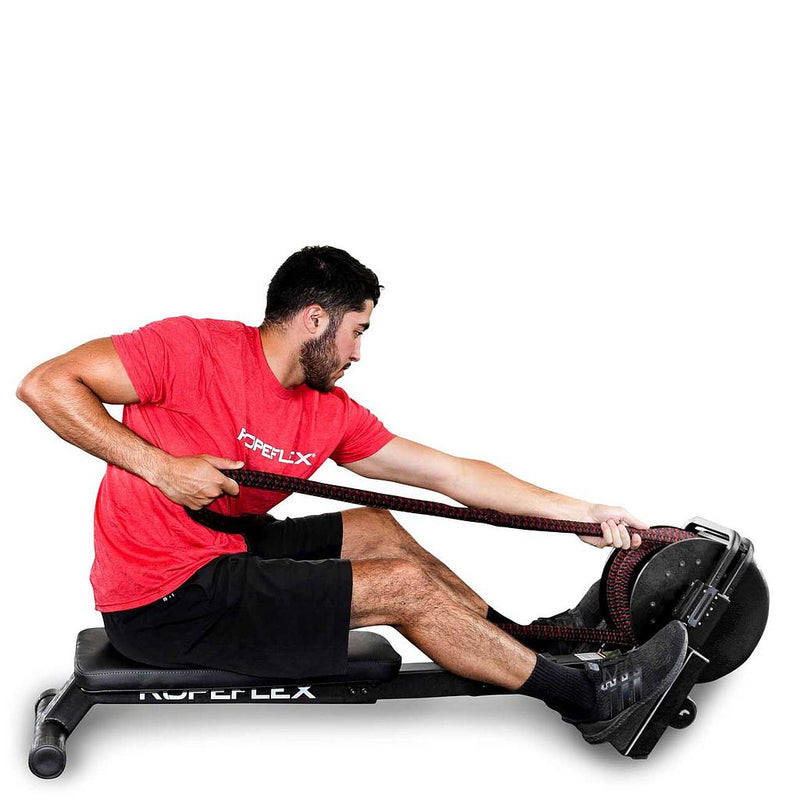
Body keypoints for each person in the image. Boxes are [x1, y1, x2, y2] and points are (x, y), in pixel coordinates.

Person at [16, 245, 686, 744]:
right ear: (315, 319)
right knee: (403, 587)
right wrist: (161, 468)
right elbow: (45, 384)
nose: (358, 353)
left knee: (376, 527)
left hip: (223, 548)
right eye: (357, 331)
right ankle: (585, 698)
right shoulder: (189, 348)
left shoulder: (326, 409)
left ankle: (524, 641)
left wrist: (580, 512)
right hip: (165, 596)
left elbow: (450, 474)